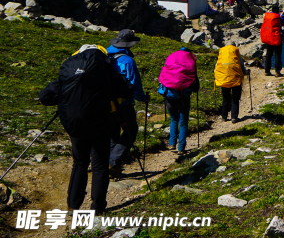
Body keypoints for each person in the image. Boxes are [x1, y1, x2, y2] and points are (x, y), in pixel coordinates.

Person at [38, 44, 131, 214]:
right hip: (101, 123)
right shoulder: (106, 67)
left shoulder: (70, 67)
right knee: (100, 165)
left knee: (79, 163)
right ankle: (97, 207)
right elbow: (125, 90)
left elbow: (45, 96)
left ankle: (73, 205)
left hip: (75, 124)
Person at [106, 29, 149, 177]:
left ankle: (111, 166)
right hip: (122, 103)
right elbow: (134, 86)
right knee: (131, 129)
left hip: (106, 102)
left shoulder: (105, 55)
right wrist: (143, 99)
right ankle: (112, 162)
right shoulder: (127, 61)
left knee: (113, 133)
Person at [157, 47, 200, 155]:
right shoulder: (189, 70)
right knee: (183, 122)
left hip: (169, 98)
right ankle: (181, 148)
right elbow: (195, 88)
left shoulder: (170, 66)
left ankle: (172, 143)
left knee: (173, 119)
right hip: (183, 99)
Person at [214, 43, 247, 122]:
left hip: (224, 79)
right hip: (235, 79)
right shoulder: (237, 56)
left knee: (225, 98)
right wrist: (246, 72)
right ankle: (234, 117)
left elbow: (216, 68)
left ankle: (224, 116)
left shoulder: (222, 56)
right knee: (235, 98)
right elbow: (242, 67)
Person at [260, 4, 284, 77]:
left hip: (268, 37)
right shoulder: (278, 17)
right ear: (278, 11)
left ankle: (267, 71)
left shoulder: (267, 16)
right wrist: (282, 15)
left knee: (269, 54)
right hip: (276, 37)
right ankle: (277, 72)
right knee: (278, 54)